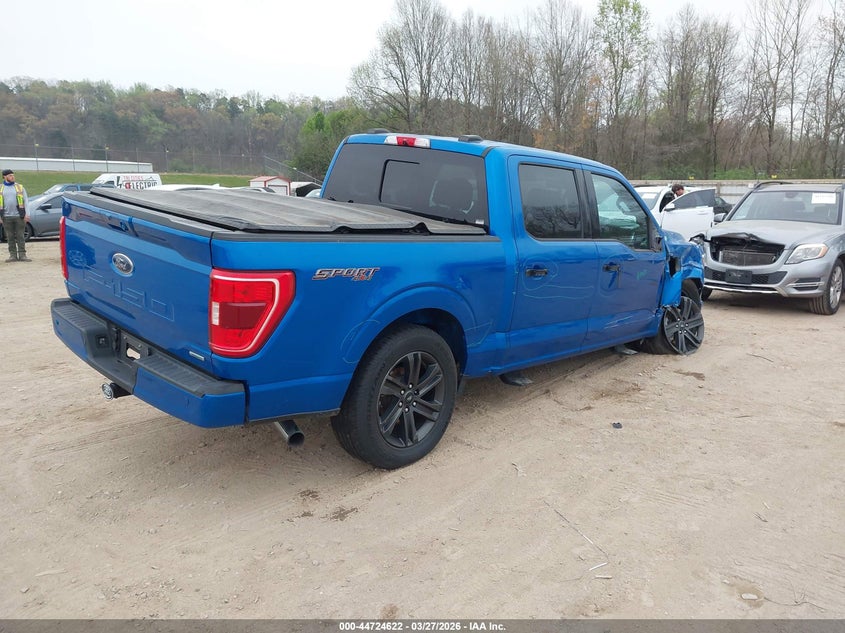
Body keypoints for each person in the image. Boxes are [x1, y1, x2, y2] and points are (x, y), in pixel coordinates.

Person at [0, 169, 30, 262]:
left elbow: (26, 201)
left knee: (20, 236)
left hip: (19, 216)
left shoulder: (20, 187)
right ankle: (12, 255)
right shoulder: (1, 188)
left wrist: (27, 214)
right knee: (10, 237)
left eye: (13, 175)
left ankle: (22, 255)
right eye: (10, 175)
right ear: (4, 177)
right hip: (6, 217)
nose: (12, 177)